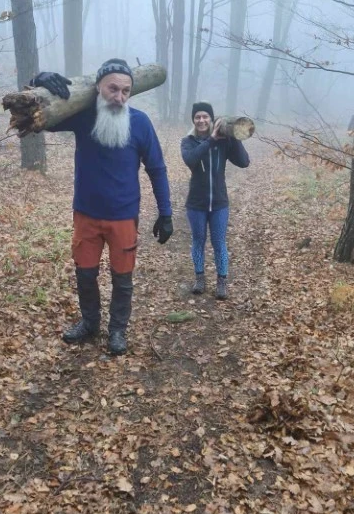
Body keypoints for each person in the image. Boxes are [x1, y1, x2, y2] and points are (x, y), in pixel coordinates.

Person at [30, 58, 173, 356]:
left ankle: (118, 330)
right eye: (113, 89)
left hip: (124, 217)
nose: (119, 97)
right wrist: (39, 80)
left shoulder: (141, 123)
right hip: (86, 214)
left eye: (125, 91)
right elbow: (39, 116)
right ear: (98, 87)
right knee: (85, 274)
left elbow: (157, 169)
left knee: (123, 279)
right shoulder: (82, 116)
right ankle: (90, 322)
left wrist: (166, 212)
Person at [181, 102, 249, 300]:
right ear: (193, 120)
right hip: (196, 204)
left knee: (219, 242)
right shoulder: (188, 141)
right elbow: (191, 160)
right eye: (197, 117)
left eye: (205, 117)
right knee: (198, 241)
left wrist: (233, 137)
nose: (201, 120)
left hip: (219, 203)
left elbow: (244, 162)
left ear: (211, 119)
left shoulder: (224, 142)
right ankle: (200, 279)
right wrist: (211, 140)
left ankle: (221, 282)